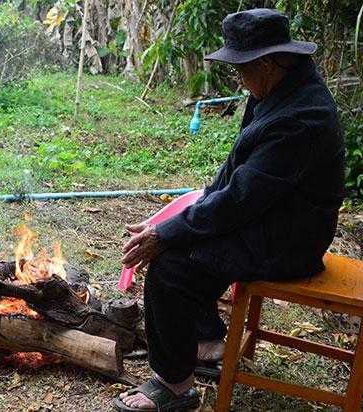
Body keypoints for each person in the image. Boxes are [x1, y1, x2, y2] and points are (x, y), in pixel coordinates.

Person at [114, 8, 345, 412]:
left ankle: (173, 387)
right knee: (185, 237)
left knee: (171, 269)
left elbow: (240, 200)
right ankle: (205, 343)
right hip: (272, 218)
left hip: (290, 240)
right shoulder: (280, 89)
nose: (238, 79)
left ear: (268, 63)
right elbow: (236, 170)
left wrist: (165, 235)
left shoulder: (301, 119)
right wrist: (184, 214)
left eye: (241, 69)